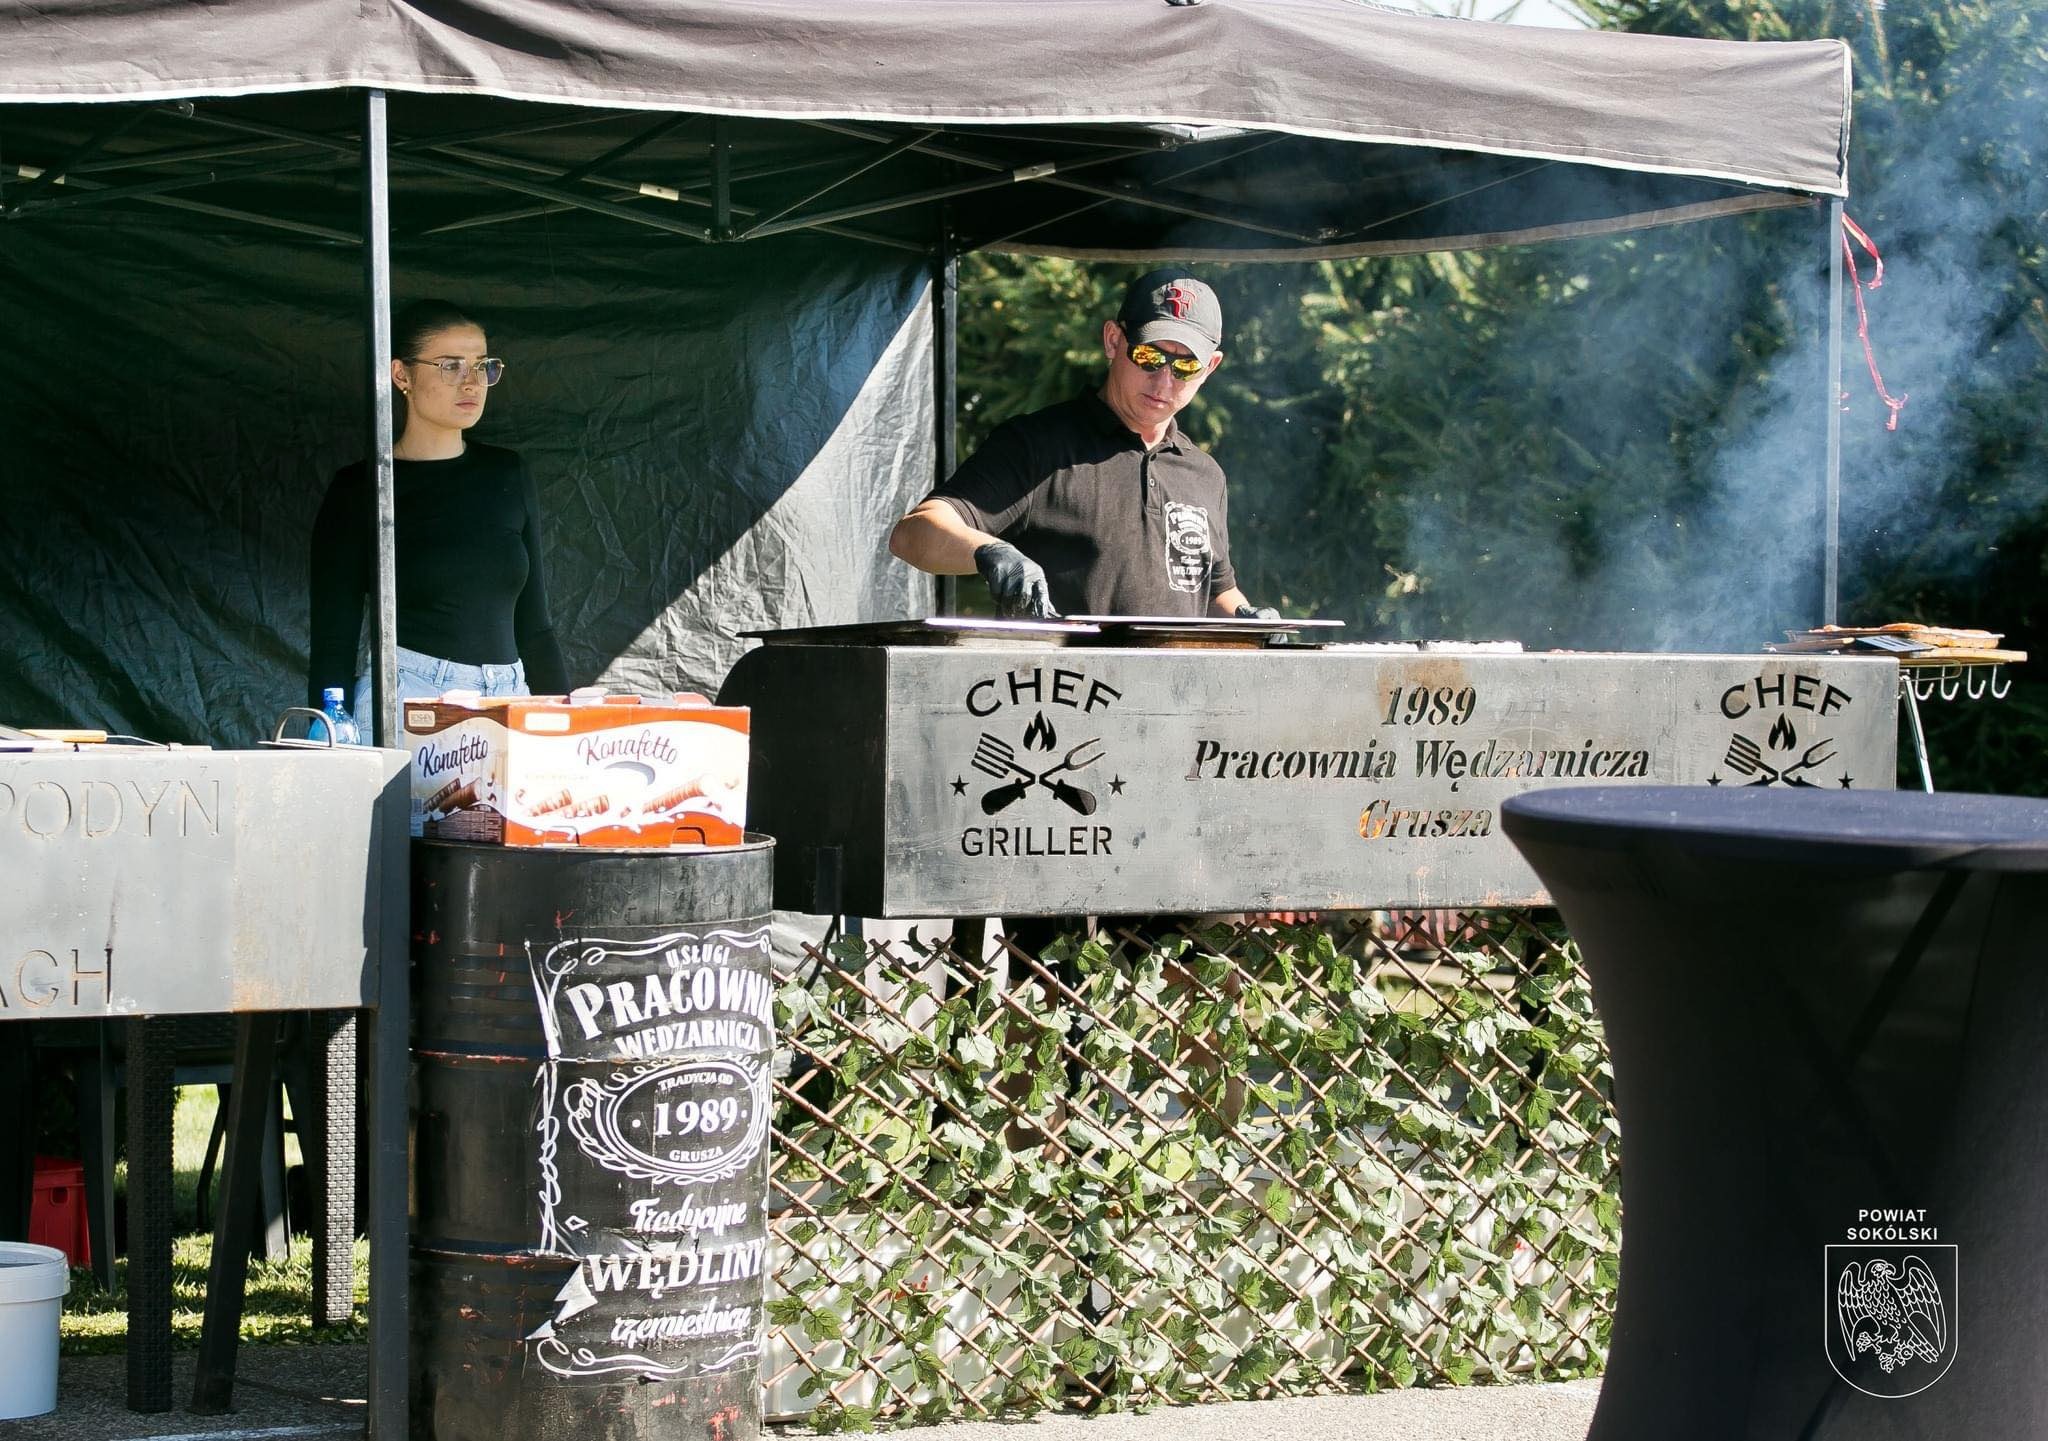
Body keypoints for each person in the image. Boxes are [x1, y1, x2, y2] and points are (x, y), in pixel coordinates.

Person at [888, 269, 1277, 621]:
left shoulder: (1204, 475)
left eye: (1185, 366)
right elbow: (913, 534)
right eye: (1148, 356)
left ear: (1210, 368)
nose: (1164, 380)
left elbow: (1214, 593)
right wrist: (990, 552)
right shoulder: (1037, 446)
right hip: (1061, 694)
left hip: (1172, 697)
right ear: (1113, 340)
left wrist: (1247, 620)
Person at [307, 299, 570, 730]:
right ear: (401, 375)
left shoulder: (508, 473)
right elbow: (335, 636)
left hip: (510, 697)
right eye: (450, 366)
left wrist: (564, 718)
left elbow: (535, 626)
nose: (471, 382)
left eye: (482, 365)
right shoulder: (360, 488)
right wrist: (327, 725)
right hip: (411, 697)